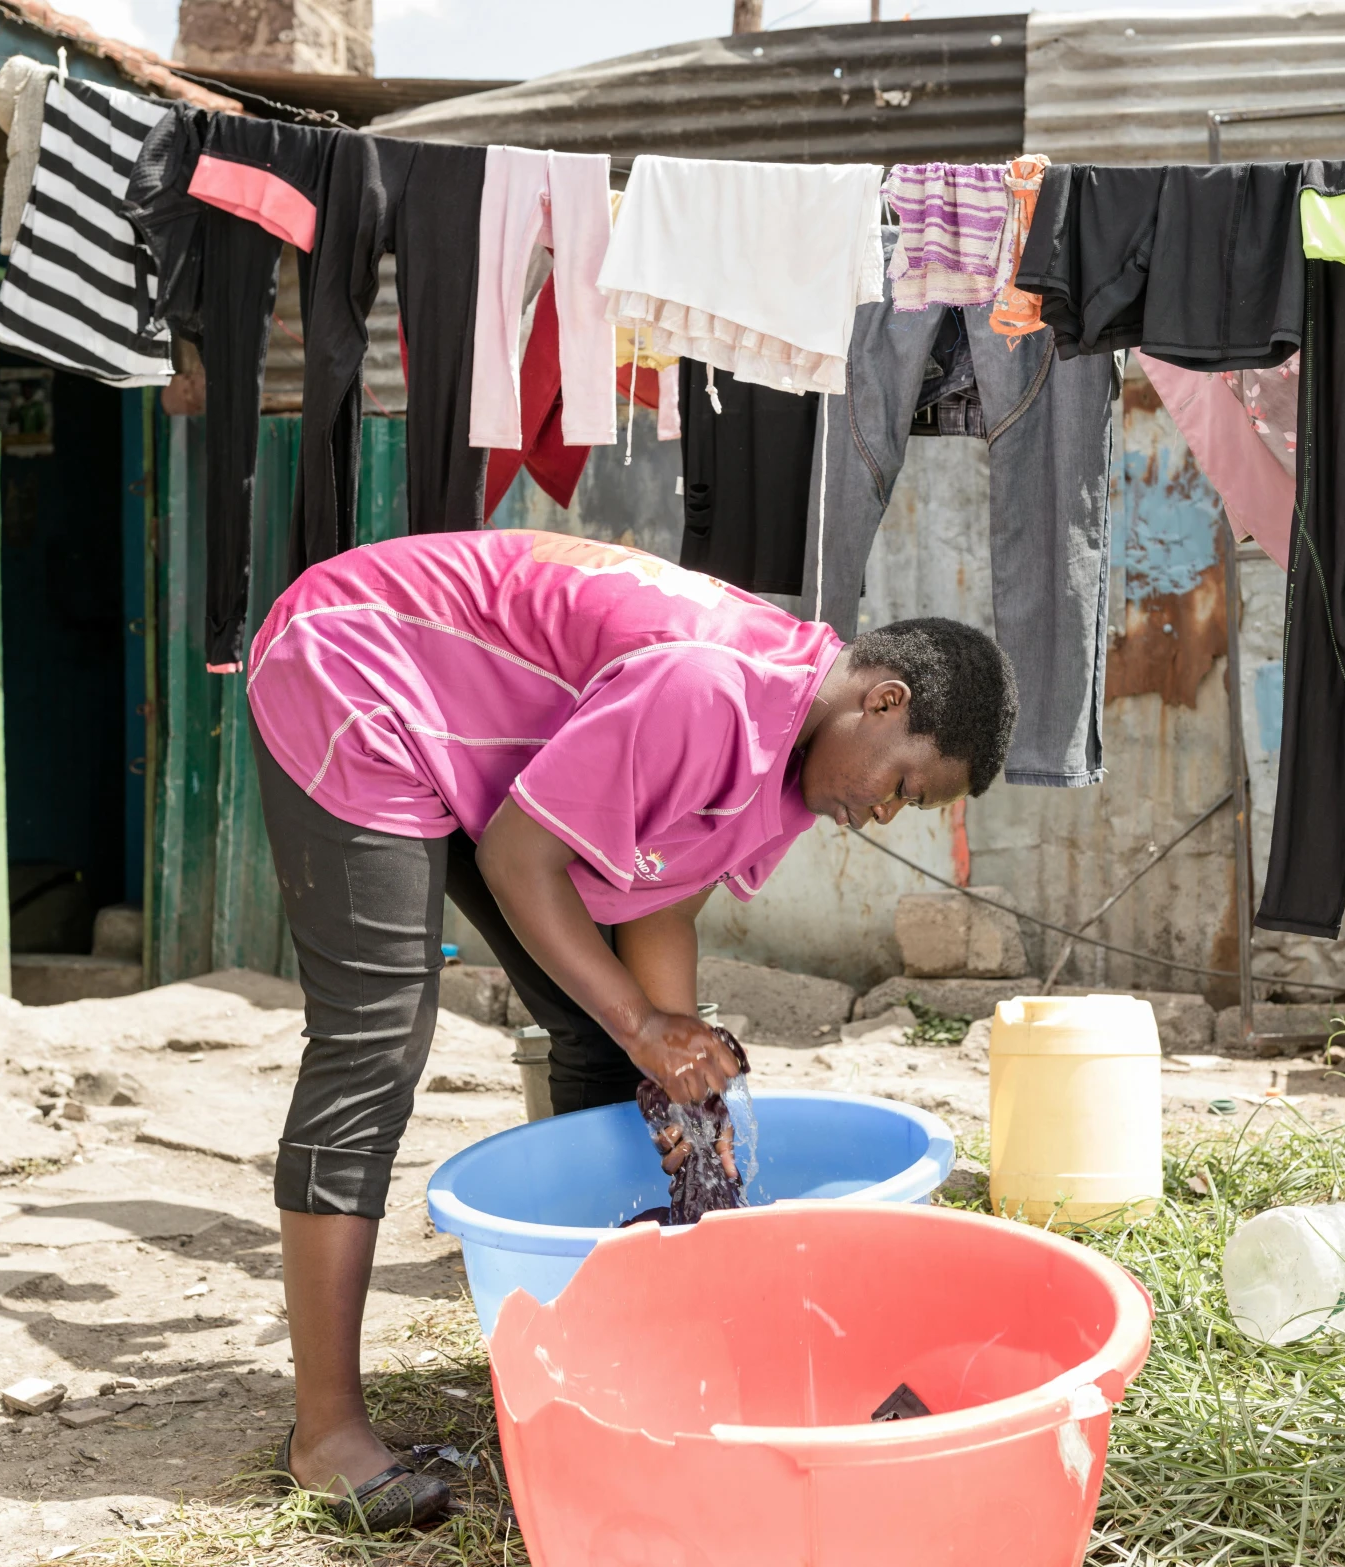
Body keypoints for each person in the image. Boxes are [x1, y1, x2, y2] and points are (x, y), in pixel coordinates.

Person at [242, 528, 1017, 1526]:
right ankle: (326, 1431)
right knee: (375, 1039)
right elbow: (526, 860)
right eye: (907, 785)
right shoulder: (711, 687)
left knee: (616, 1039)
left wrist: (674, 1049)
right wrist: (641, 1020)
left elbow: (657, 896)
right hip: (356, 664)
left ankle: (604, 1362)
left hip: (479, 734)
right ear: (884, 702)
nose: (885, 813)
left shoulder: (790, 760)